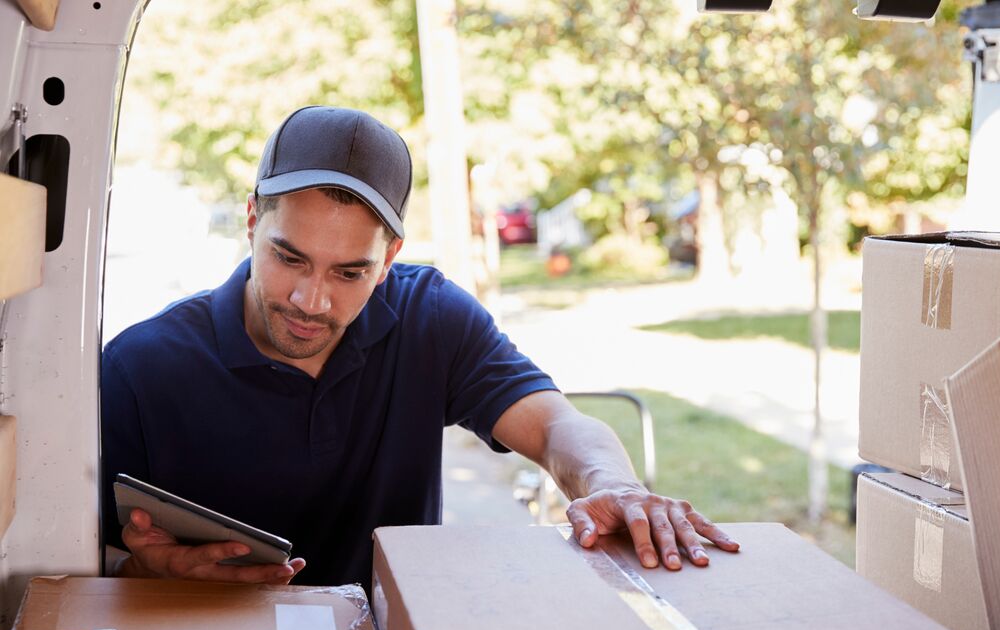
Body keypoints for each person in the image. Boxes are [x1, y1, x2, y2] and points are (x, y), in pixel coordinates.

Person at [101, 106, 738, 590]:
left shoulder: (428, 314)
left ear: (389, 261)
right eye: (289, 258)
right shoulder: (139, 366)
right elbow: (81, 566)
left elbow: (554, 425)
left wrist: (614, 485)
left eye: (349, 272)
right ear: (251, 221)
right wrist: (142, 571)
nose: (311, 300)